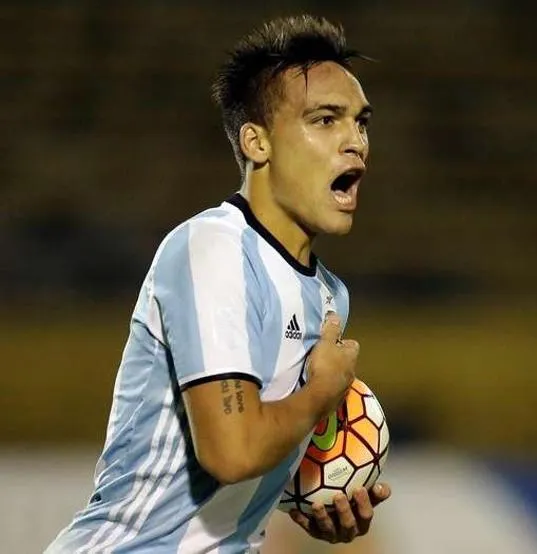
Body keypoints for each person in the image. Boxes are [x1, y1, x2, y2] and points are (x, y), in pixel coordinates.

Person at [46, 14, 390, 553]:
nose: (356, 142)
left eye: (360, 122)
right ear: (257, 142)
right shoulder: (213, 249)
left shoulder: (329, 295)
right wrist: (323, 392)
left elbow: (244, 458)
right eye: (325, 120)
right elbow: (231, 453)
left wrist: (309, 497)